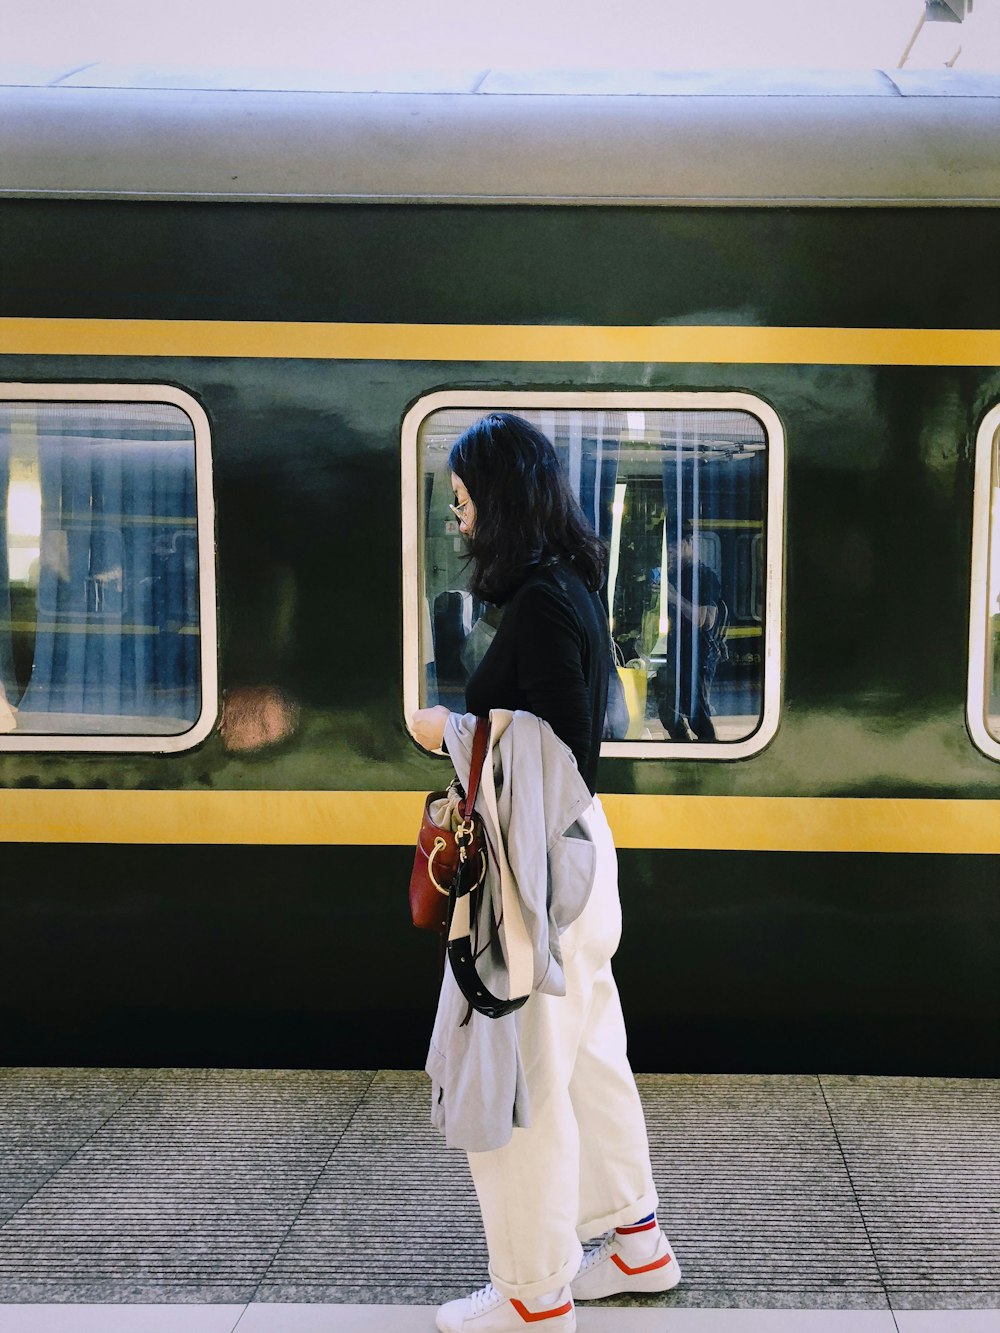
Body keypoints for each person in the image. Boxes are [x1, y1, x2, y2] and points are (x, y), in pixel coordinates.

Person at [411, 413, 681, 1333]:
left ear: (503, 502)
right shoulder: (570, 585)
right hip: (579, 859)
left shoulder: (539, 604)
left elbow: (553, 751)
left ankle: (533, 1290)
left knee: (522, 1076)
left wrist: (445, 731)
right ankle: (635, 1240)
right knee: (592, 1054)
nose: (458, 519)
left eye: (463, 501)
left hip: (539, 871)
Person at [653, 530, 725, 742]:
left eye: (674, 547)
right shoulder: (674, 574)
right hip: (675, 649)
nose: (670, 553)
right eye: (667, 549)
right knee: (667, 706)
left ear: (689, 542)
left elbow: (706, 619)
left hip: (697, 652)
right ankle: (682, 744)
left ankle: (709, 748)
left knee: (696, 713)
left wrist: (675, 597)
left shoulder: (705, 576)